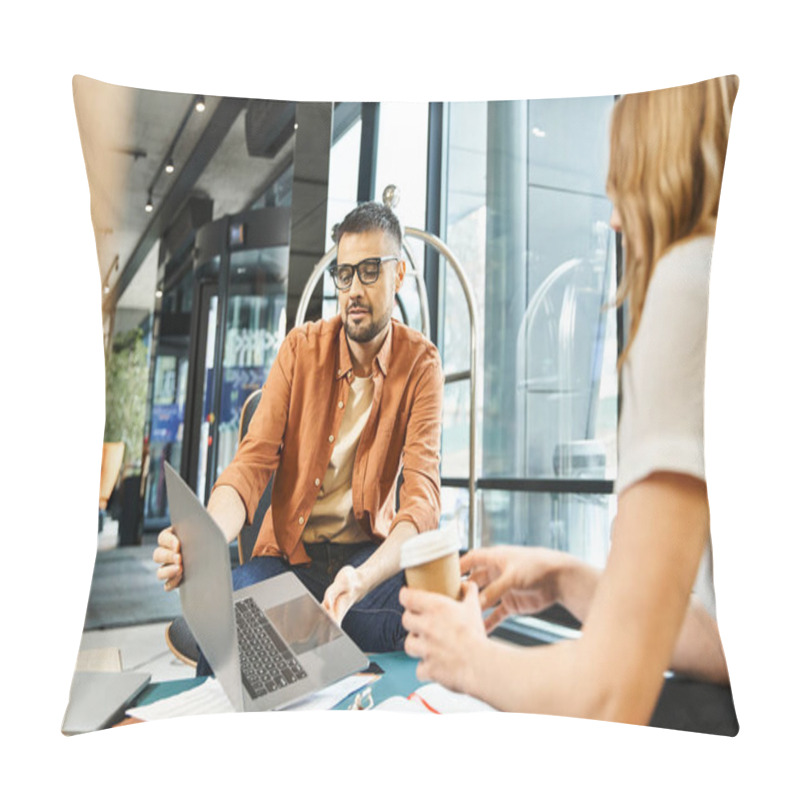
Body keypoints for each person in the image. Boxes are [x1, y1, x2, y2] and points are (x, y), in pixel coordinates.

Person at [400, 75, 739, 725]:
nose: (613, 217)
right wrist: (565, 579)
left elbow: (611, 694)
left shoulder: (689, 284)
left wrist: (468, 658)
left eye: (623, 179)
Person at [154, 201, 443, 661]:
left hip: (362, 562)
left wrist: (363, 579)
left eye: (370, 271)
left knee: (428, 608)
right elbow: (251, 465)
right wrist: (204, 538)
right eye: (344, 274)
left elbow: (422, 503)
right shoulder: (301, 349)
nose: (353, 290)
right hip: (289, 561)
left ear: (399, 275)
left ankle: (299, 632)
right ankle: (292, 631)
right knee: (235, 629)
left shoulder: (422, 365)